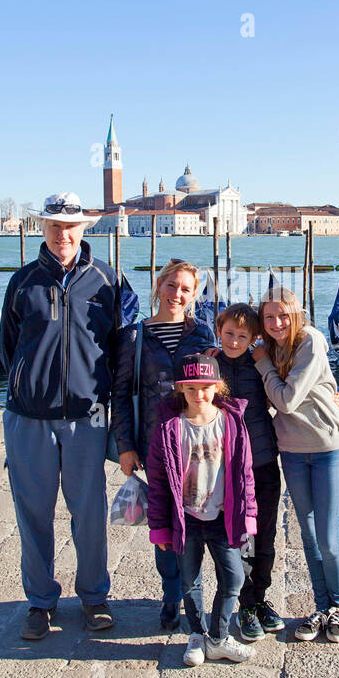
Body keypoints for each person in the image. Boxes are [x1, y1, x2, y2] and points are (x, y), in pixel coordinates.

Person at [0, 191, 121, 640]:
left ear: (83, 229)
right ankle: (40, 601)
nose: (62, 235)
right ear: (42, 229)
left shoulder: (107, 281)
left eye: (70, 227)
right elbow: (9, 349)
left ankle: (94, 597)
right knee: (32, 512)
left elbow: (120, 347)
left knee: (89, 511)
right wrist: (31, 386)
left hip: (87, 417)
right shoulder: (23, 282)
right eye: (54, 227)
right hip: (29, 418)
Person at [111, 259, 217, 631]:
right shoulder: (134, 337)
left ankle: (194, 596)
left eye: (186, 289)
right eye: (172, 286)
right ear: (159, 286)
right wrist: (125, 446)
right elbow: (121, 394)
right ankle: (171, 595)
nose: (177, 294)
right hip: (155, 447)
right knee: (163, 527)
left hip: (198, 446)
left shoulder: (203, 335)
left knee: (197, 524)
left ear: (194, 294)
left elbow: (219, 387)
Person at [145, 354, 257, 666]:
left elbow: (245, 472)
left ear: (218, 386)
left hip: (223, 517)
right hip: (186, 519)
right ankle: (197, 635)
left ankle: (218, 637)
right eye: (191, 388)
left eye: (206, 387)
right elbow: (156, 480)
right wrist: (159, 527)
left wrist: (248, 515)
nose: (199, 394)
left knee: (233, 578)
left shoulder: (231, 422)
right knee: (189, 580)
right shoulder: (169, 427)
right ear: (180, 388)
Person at [255, 287, 339, 643]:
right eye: (269, 317)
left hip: (326, 448)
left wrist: (263, 364)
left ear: (296, 314)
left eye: (283, 315)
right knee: (308, 535)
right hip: (292, 452)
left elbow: (287, 400)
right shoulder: (271, 348)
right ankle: (322, 607)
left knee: (327, 535)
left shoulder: (309, 339)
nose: (277, 322)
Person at [209, 303, 284, 642]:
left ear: (254, 338)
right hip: (225, 467)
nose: (234, 342)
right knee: (237, 538)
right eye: (229, 334)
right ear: (218, 330)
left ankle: (260, 599)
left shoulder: (261, 365)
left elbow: (291, 390)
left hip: (262, 460)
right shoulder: (209, 364)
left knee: (264, 535)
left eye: (242, 337)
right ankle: (243, 603)